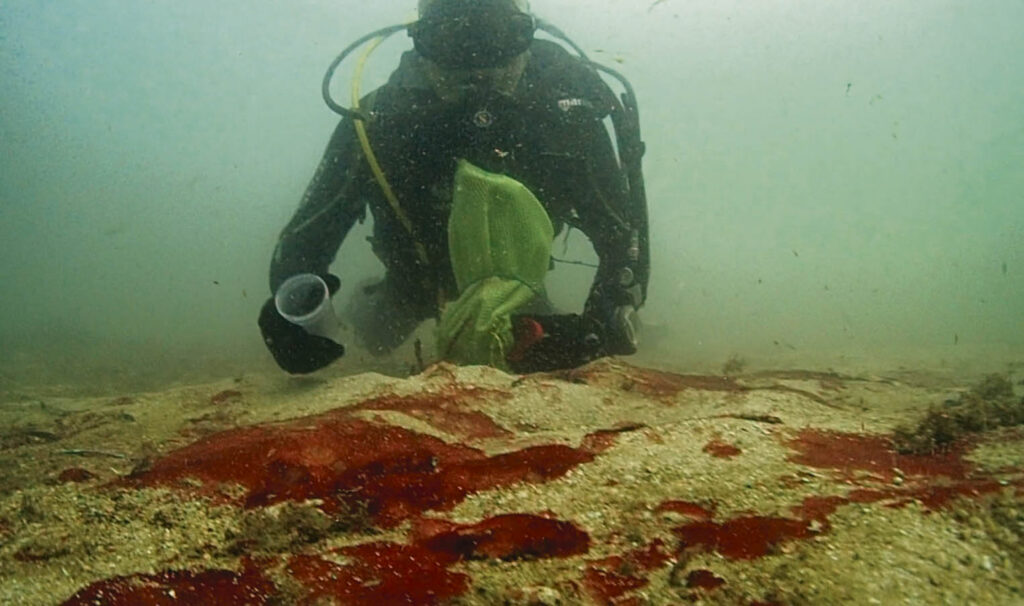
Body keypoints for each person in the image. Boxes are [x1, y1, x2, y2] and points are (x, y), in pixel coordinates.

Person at [259, 0, 650, 374]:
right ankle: (373, 309)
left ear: (525, 37)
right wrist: (292, 317)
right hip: (410, 287)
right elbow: (301, 248)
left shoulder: (569, 121)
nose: (478, 69)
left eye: (496, 37)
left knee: (534, 343)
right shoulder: (375, 126)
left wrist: (597, 325)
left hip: (516, 294)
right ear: (422, 43)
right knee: (370, 339)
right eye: (453, 40)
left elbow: (624, 247)